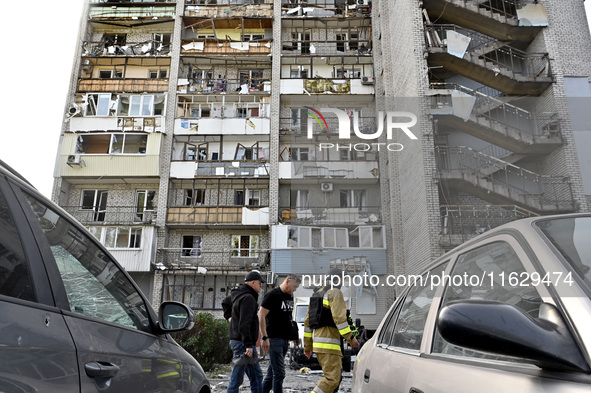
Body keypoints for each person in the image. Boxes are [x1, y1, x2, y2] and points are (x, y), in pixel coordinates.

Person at [304, 268, 359, 393]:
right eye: (342, 279)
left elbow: (308, 322)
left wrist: (308, 346)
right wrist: (351, 338)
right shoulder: (335, 292)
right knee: (332, 380)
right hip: (330, 346)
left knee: (333, 380)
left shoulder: (316, 295)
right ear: (338, 279)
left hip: (319, 347)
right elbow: (340, 318)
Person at [258, 274, 302, 393]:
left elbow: (289, 317)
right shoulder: (272, 295)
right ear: (288, 281)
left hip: (284, 340)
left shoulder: (290, 296)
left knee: (271, 374)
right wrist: (264, 337)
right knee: (279, 374)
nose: (295, 289)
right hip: (274, 338)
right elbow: (261, 315)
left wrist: (295, 336)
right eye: (294, 286)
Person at [226, 271, 265, 393]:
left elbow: (225, 303)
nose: (261, 286)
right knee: (237, 379)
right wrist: (248, 345)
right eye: (260, 283)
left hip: (239, 341)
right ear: (253, 283)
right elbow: (244, 324)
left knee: (256, 376)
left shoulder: (238, 294)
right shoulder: (248, 298)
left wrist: (230, 317)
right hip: (243, 344)